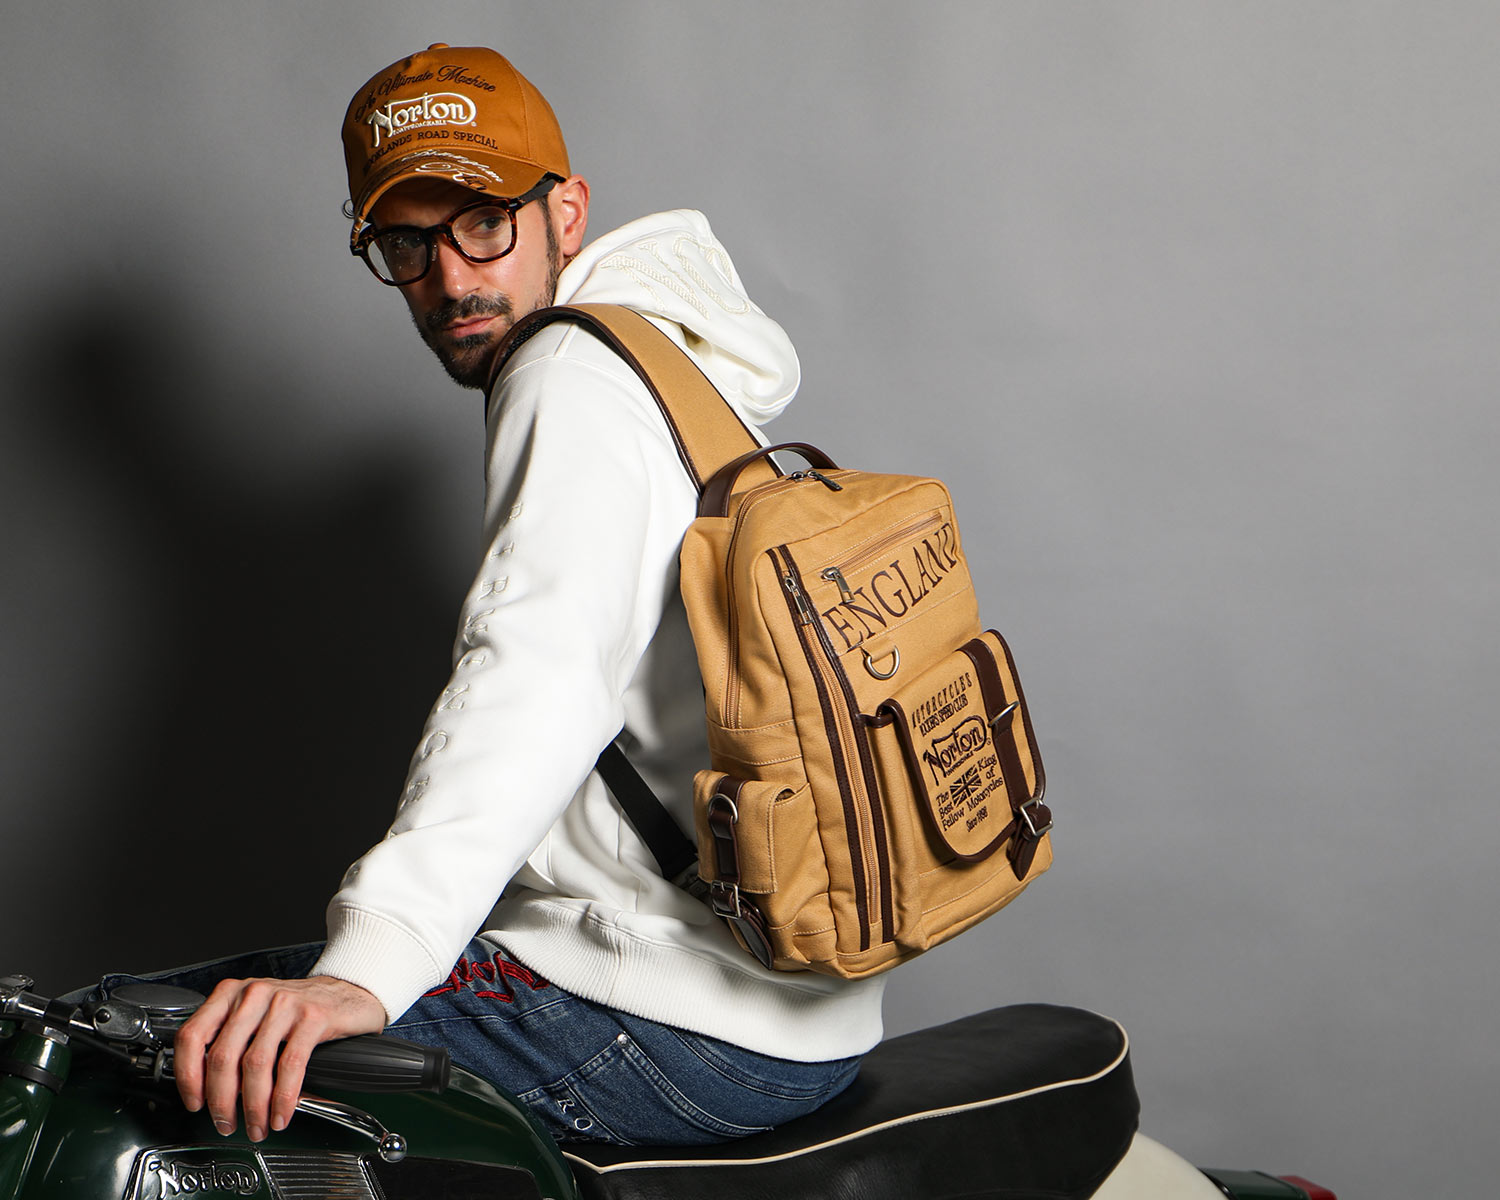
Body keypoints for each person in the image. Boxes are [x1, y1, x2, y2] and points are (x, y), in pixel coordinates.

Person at [128, 43, 886, 1148]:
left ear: (565, 214)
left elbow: (538, 673)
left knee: (109, 1061)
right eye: (407, 242)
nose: (450, 279)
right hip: (798, 1006)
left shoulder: (567, 374)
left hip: (671, 1014)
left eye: (483, 223)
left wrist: (373, 960)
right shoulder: (667, 353)